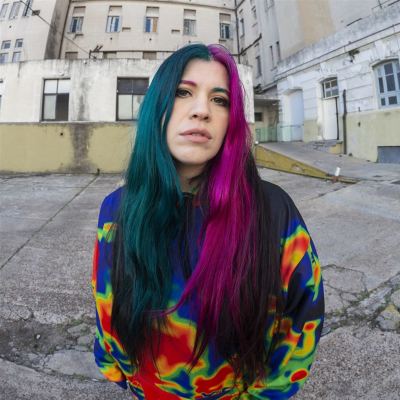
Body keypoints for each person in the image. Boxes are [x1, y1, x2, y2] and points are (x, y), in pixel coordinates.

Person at [92, 43, 324, 399]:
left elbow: (303, 314)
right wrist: (113, 366)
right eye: (183, 92)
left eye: (220, 100)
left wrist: (265, 395)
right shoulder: (117, 209)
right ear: (157, 107)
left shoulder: (273, 210)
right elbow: (105, 297)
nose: (202, 110)